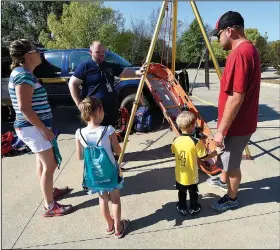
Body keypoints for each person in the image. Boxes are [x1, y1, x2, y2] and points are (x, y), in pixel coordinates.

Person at [8, 39, 73, 217]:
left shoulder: (24, 73)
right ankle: (50, 206)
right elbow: (24, 108)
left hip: (33, 127)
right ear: (28, 56)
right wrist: (44, 129)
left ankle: (50, 192)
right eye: (36, 51)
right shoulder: (23, 75)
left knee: (41, 162)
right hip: (33, 128)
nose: (40, 54)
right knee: (50, 165)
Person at [208, 11, 261, 212]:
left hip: (237, 125)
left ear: (229, 31)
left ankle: (232, 198)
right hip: (242, 122)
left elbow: (236, 97)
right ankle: (223, 181)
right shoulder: (250, 50)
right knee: (227, 159)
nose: (217, 39)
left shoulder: (239, 54)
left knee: (232, 165)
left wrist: (221, 131)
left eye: (218, 34)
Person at [75, 96, 129, 238]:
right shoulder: (108, 130)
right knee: (115, 199)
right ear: (99, 110)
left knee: (102, 199)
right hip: (110, 170)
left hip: (93, 173)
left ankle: (109, 224)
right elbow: (118, 150)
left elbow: (79, 156)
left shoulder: (79, 133)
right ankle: (118, 227)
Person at [68, 41, 146, 127]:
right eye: (98, 52)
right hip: (93, 110)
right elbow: (72, 83)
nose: (101, 54)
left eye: (103, 51)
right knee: (96, 136)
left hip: (111, 109)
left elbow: (123, 72)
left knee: (110, 133)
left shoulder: (109, 66)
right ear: (90, 52)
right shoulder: (85, 66)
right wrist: (79, 104)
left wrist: (137, 72)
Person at [171, 111, 223, 216]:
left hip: (179, 174)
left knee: (181, 192)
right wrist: (215, 152)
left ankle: (182, 207)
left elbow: (174, 153)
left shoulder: (175, 140)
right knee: (193, 191)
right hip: (191, 175)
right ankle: (194, 207)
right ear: (191, 126)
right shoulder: (196, 142)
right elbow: (204, 157)